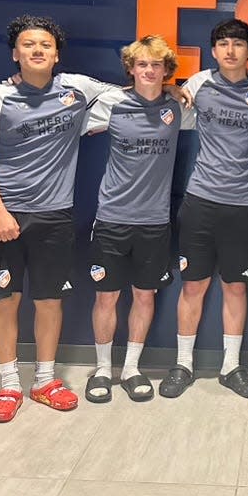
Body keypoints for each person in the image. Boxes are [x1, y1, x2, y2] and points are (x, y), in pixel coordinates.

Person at [0, 15, 117, 422]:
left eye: (45, 45)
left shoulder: (77, 90)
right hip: (7, 217)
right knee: (5, 300)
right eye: (29, 45)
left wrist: (172, 92)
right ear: (15, 53)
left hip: (56, 217)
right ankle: (9, 384)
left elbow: (134, 96)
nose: (37, 50)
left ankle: (45, 381)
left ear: (56, 55)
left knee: (50, 301)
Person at [159, 19, 248, 400]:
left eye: (238, 44)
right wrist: (171, 91)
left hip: (244, 203)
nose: (230, 50)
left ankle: (231, 367)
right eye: (223, 43)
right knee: (193, 285)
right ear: (213, 51)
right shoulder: (198, 85)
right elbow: (156, 91)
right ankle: (183, 364)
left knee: (235, 286)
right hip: (201, 201)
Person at [84, 35, 194, 404]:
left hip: (155, 222)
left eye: (156, 65)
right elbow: (65, 117)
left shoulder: (177, 107)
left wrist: (177, 91)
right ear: (131, 68)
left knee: (144, 295)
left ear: (166, 72)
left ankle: (131, 367)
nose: (149, 71)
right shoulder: (111, 104)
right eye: (142, 64)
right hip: (112, 217)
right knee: (107, 297)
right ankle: (102, 369)